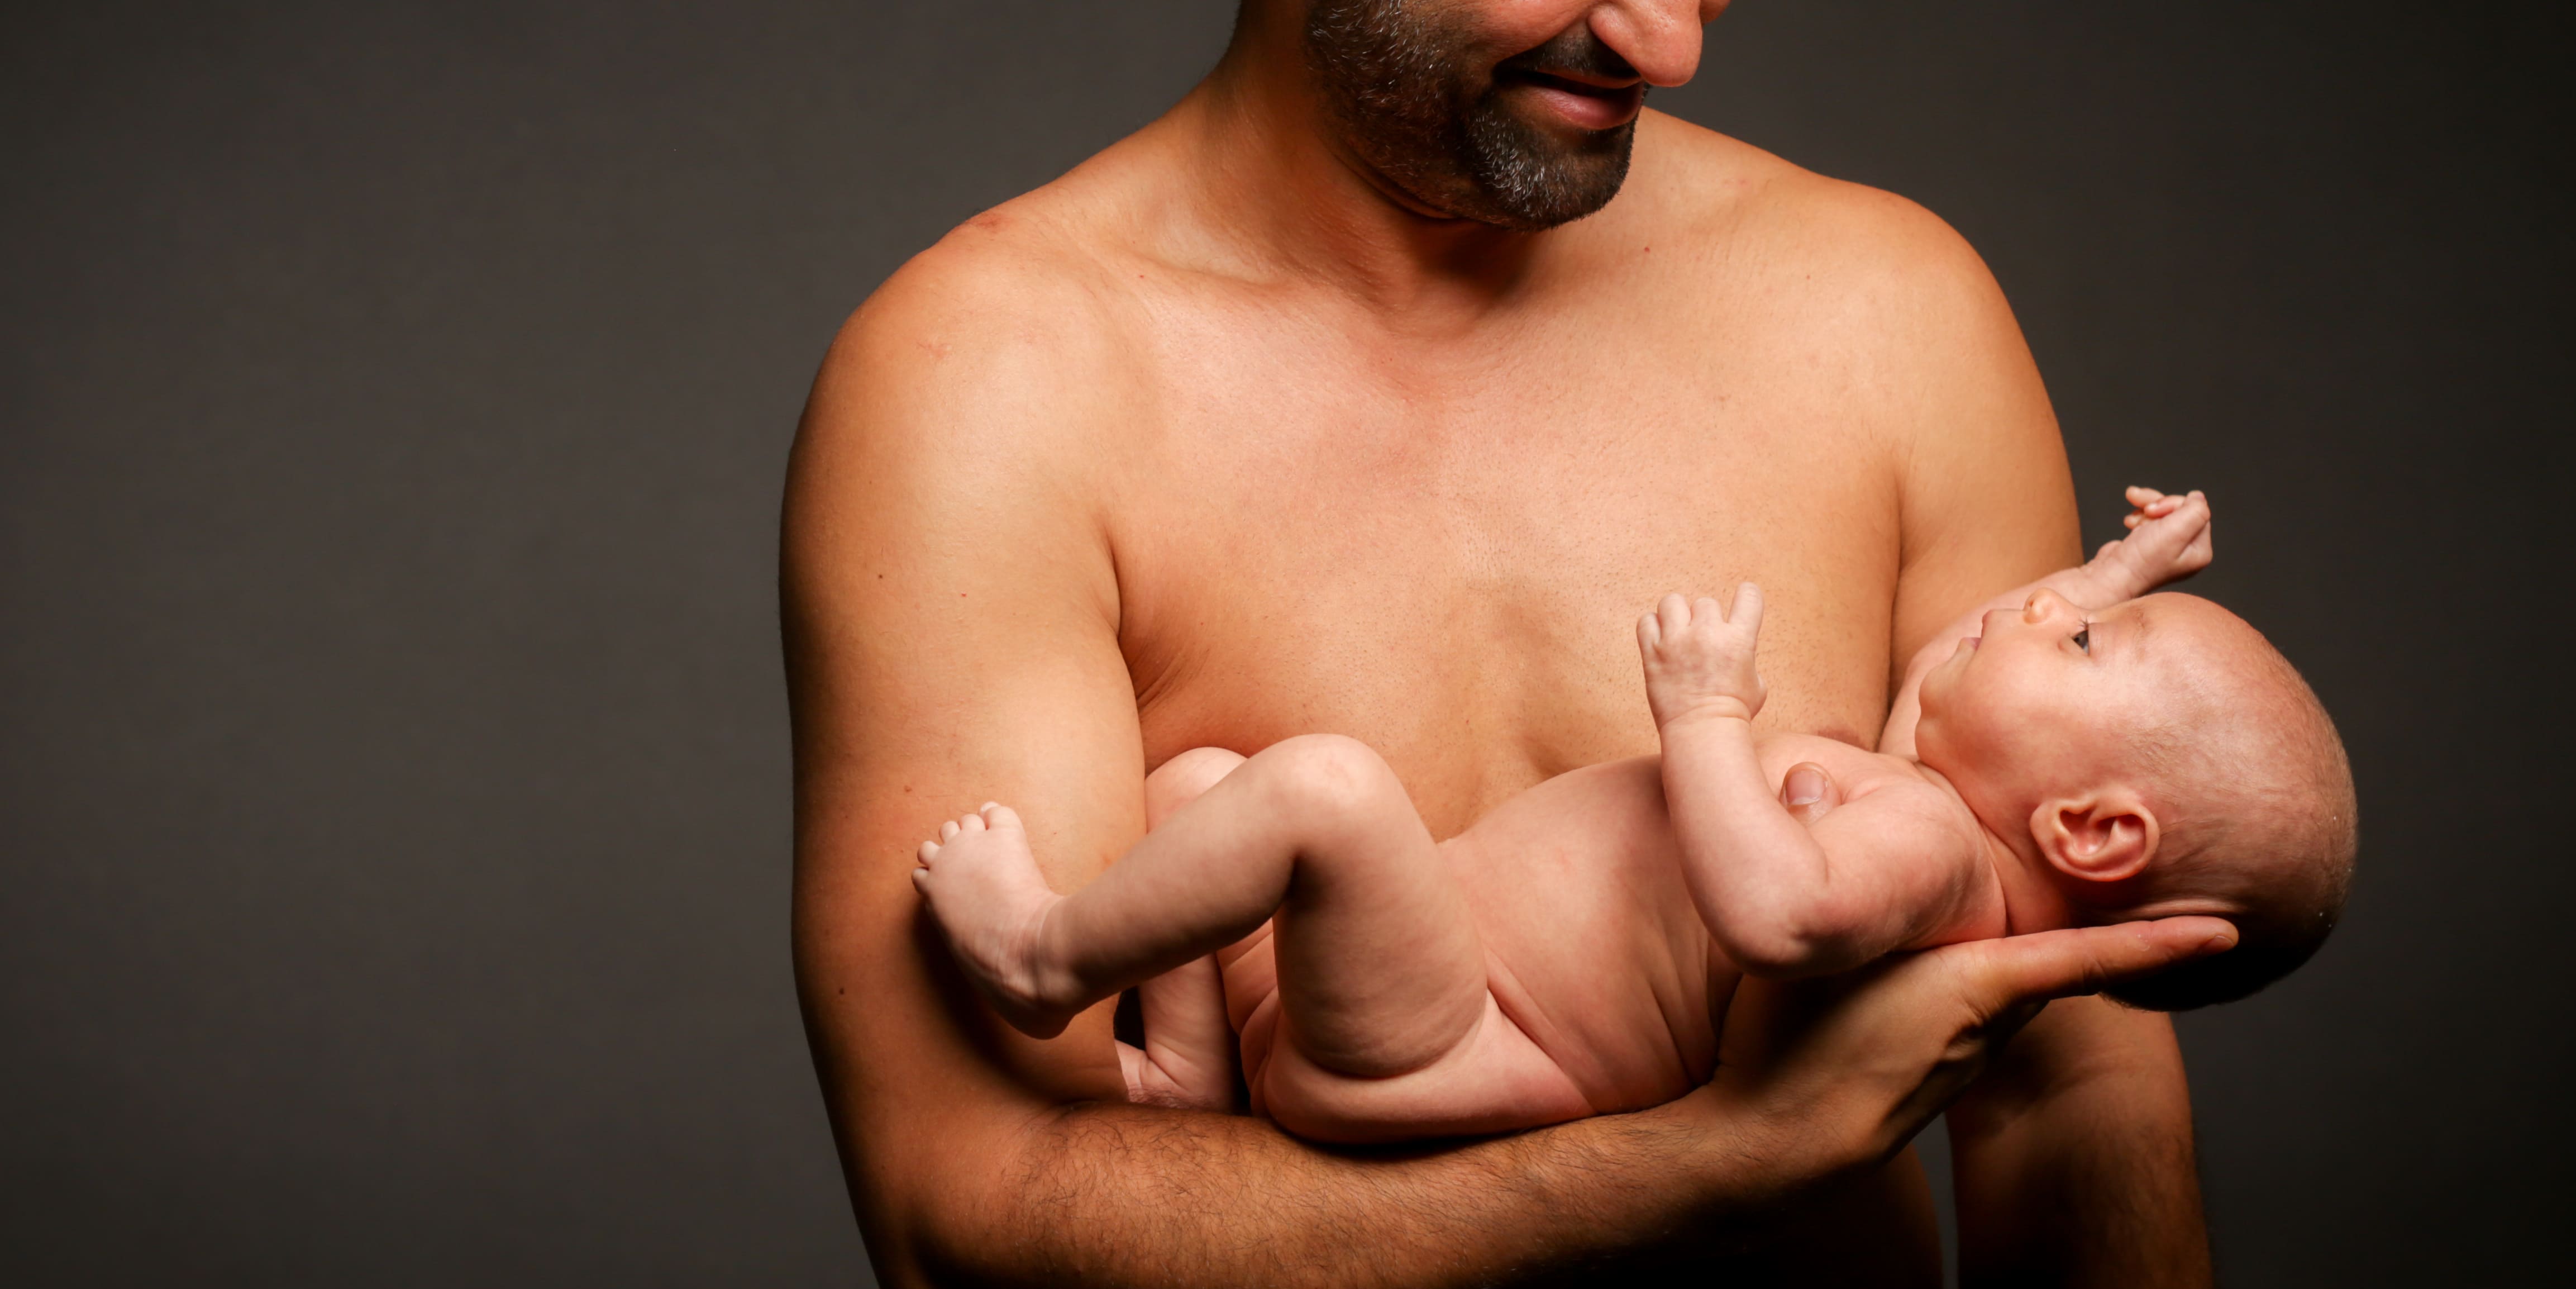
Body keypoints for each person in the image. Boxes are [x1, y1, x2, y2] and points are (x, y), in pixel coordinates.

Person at [788, 0, 2230, 1289]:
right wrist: (1718, 1164)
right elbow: (978, 1266)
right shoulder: (988, 388)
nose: (1677, 31)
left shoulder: (1883, 312)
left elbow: (2070, 1092)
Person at [909, 489, 2356, 1142]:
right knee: (1203, 796)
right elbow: (1946, 670)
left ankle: (1042, 959)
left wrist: (1705, 715)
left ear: (2092, 836)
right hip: (1407, 998)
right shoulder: (1934, 815)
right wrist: (2110, 580)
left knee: (1321, 791)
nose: (2030, 614)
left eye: (2085, 648)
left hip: (1464, 1042)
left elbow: (1774, 912)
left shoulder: (1920, 859)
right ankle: (1188, 1080)